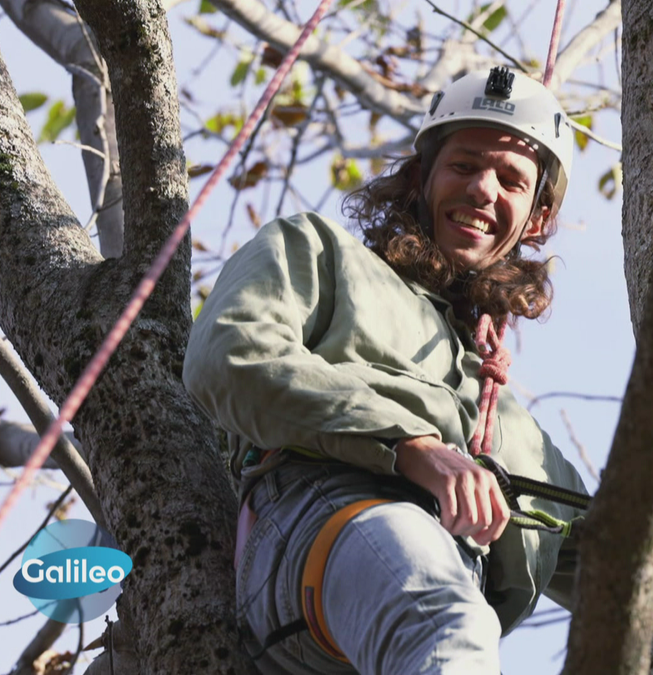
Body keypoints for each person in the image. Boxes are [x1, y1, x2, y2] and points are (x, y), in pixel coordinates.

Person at [183, 67, 588, 675]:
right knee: (446, 619)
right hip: (319, 530)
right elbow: (230, 354)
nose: (483, 189)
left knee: (453, 622)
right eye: (464, 165)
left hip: (414, 625)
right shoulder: (320, 253)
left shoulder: (510, 425)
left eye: (510, 180)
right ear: (423, 177)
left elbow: (624, 559)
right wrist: (410, 445)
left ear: (535, 219)